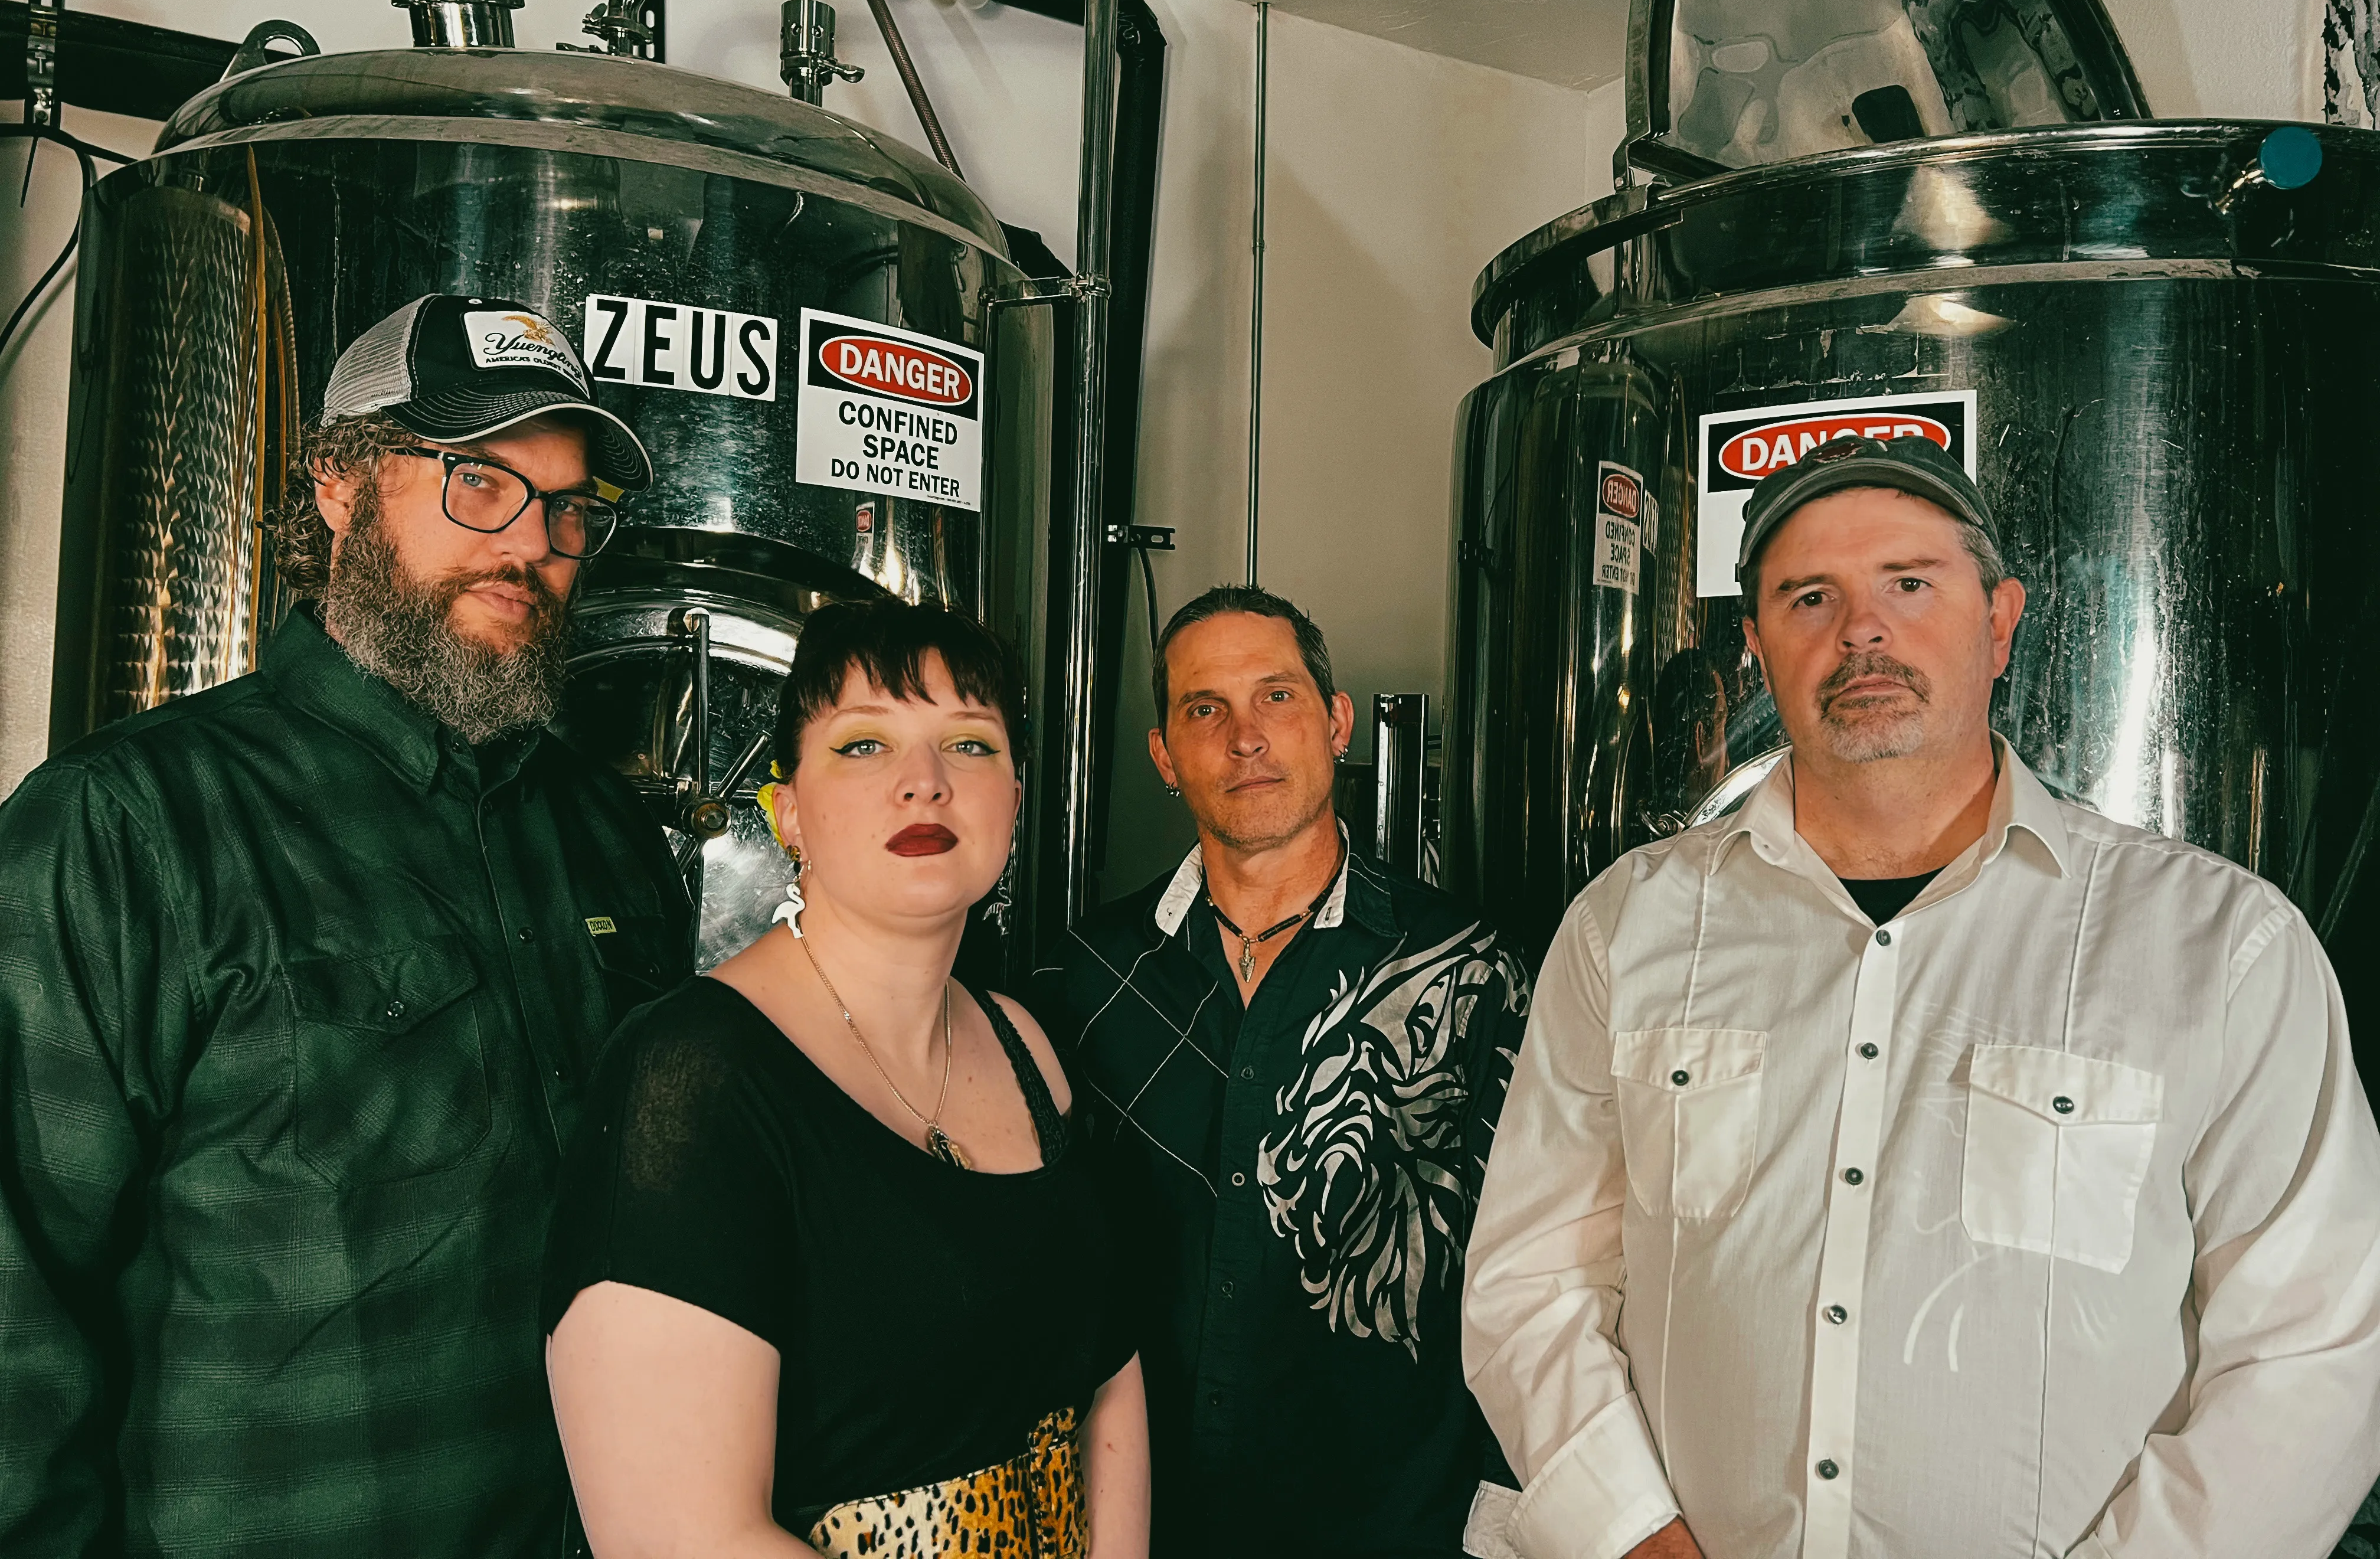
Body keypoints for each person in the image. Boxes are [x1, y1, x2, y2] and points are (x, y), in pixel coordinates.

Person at [1462, 434, 2380, 1559]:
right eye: (1811, 597)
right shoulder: (1628, 931)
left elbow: (2318, 1344)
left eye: (1909, 583)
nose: (1863, 630)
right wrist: (1633, 1535)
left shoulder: (2218, 947)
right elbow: (1531, 1282)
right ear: (1756, 650)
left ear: (2000, 622)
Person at [0, 293, 691, 1557]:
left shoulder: (606, 834)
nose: (532, 544)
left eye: (570, 507)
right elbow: (11, 1302)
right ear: (339, 483)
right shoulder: (131, 825)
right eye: (479, 481)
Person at [542, 597, 1149, 1558]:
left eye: (972, 746)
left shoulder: (1028, 1047)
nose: (925, 784)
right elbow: (682, 1538)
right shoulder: (691, 1080)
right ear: (788, 812)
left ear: (1017, 801)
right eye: (865, 746)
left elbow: (1109, 1378)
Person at [1034, 584, 1535, 1558]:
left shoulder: (1470, 971)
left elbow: (1538, 1276)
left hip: (1395, 1528)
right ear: (1164, 757)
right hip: (1147, 1525)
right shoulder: (1082, 977)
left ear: (1336, 721)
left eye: (1277, 697)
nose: (1245, 738)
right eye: (1204, 709)